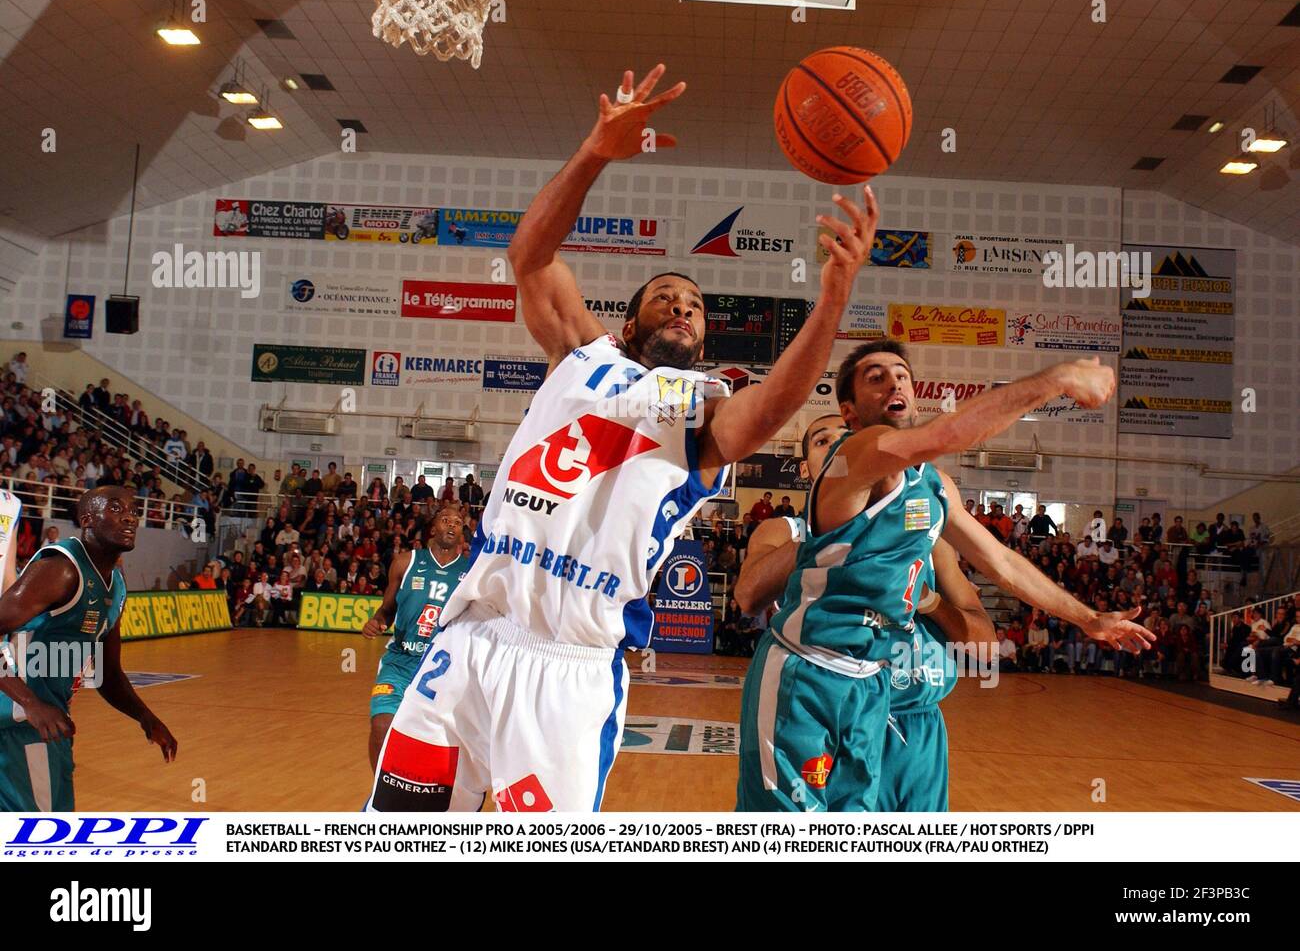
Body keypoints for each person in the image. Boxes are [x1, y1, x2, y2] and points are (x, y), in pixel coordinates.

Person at [366, 62, 879, 814]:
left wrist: (834, 295)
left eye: (695, 306)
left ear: (702, 343)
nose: (681, 306)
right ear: (629, 323)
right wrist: (596, 153)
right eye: (664, 298)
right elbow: (530, 257)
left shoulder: (699, 409)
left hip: (568, 670)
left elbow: (773, 406)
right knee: (399, 832)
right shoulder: (582, 353)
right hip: (470, 641)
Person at [734, 339, 1152, 811]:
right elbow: (951, 433)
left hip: (870, 682)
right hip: (807, 672)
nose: (894, 382)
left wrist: (1087, 618)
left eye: (902, 375)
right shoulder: (856, 452)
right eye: (876, 377)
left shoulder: (932, 484)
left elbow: (1003, 562)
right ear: (849, 412)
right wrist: (1057, 380)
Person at [734, 412, 994, 812]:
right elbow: (748, 595)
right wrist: (835, 532)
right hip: (827, 711)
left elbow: (984, 649)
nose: (841, 447)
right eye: (824, 441)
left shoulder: (926, 534)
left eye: (850, 439)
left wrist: (930, 602)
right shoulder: (785, 532)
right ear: (805, 470)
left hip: (917, 725)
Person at [0, 487, 177, 810]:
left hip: (48, 723)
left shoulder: (117, 586)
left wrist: (146, 718)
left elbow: (108, 674)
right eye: (114, 508)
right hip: (19, 721)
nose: (129, 516)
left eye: (133, 510)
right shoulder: (61, 569)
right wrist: (31, 704)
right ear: (87, 520)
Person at [359, 505, 472, 770]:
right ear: (433, 529)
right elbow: (387, 610)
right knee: (381, 724)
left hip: (442, 669)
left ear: (462, 534)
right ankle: (380, 793)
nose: (452, 525)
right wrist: (376, 622)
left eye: (457, 522)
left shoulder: (471, 573)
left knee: (438, 742)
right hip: (400, 662)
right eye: (445, 520)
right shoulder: (405, 562)